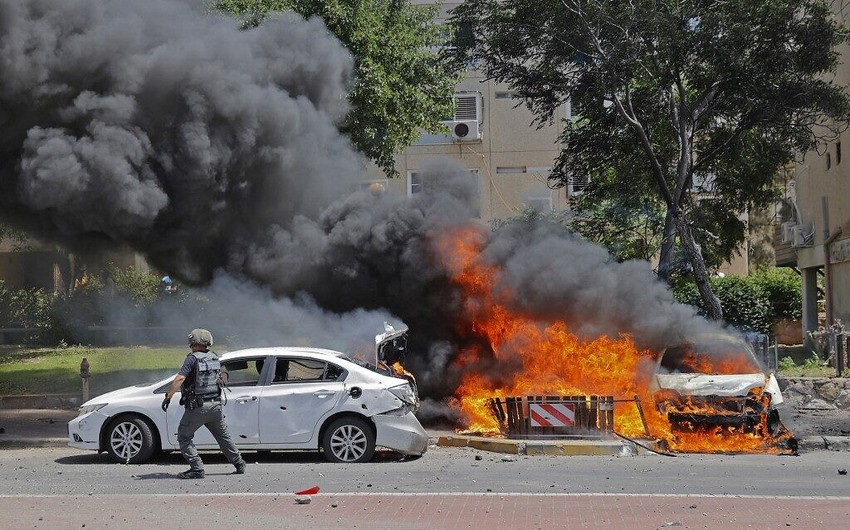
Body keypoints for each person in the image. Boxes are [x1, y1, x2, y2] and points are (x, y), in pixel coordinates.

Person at [162, 328, 246, 479]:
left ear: (194, 342)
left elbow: (180, 379)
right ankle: (239, 463)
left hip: (198, 408)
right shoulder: (214, 357)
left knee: (184, 436)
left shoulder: (192, 359)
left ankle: (197, 468)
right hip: (215, 406)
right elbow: (222, 377)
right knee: (223, 436)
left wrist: (168, 396)